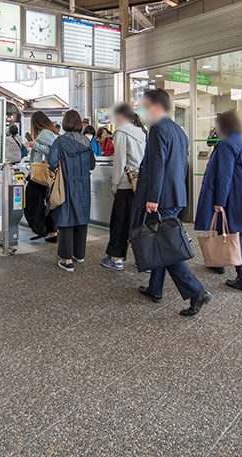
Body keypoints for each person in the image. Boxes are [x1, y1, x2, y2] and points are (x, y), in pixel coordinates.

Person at [134, 88, 212, 317]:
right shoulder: (178, 130)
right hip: (175, 195)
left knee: (167, 247)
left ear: (156, 106)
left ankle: (196, 291)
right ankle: (155, 288)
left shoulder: (158, 129)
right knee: (162, 240)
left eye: (145, 106)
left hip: (161, 198)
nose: (142, 111)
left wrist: (152, 198)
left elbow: (157, 166)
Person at [194, 111, 242, 288]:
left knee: (233, 235)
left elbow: (224, 176)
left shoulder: (226, 145)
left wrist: (219, 202)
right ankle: (219, 263)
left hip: (233, 197)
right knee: (234, 233)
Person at [46, 110, 96, 271]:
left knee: (66, 218)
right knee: (81, 217)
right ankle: (79, 254)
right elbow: (92, 165)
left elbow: (52, 162)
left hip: (66, 183)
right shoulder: (87, 142)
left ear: (66, 123)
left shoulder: (59, 141)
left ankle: (67, 260)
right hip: (83, 184)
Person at [102, 104, 146, 271]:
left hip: (126, 184)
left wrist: (115, 185)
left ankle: (116, 258)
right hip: (139, 183)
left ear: (121, 116)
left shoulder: (121, 132)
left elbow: (119, 161)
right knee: (136, 223)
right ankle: (143, 259)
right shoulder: (141, 132)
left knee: (119, 222)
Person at [25, 111, 59, 243]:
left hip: (40, 174)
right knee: (47, 204)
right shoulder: (48, 132)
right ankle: (51, 232)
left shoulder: (45, 133)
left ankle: (42, 229)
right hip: (45, 174)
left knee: (31, 204)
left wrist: (35, 145)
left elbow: (54, 150)